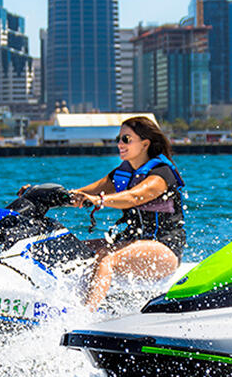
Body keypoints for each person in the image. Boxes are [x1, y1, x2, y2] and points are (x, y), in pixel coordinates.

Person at [70, 116, 186, 310]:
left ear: (145, 144)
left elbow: (134, 197)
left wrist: (99, 200)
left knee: (106, 257)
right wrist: (44, 194)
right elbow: (82, 194)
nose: (119, 144)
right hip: (131, 242)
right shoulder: (121, 174)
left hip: (164, 248)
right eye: (119, 139)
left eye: (126, 139)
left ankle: (85, 316)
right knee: (72, 249)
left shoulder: (161, 175)